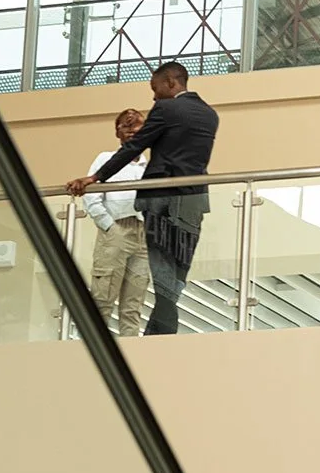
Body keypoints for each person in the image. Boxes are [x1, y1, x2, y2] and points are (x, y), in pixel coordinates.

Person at [66, 61, 219, 335]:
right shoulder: (210, 114)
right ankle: (159, 336)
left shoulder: (166, 109)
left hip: (160, 205)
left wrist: (95, 178)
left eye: (155, 88)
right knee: (172, 279)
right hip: (193, 202)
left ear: (171, 83)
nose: (154, 96)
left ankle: (152, 336)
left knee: (153, 282)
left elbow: (135, 146)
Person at [83, 108, 150, 336]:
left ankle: (130, 350)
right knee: (103, 298)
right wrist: (108, 226)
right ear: (117, 132)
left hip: (143, 233)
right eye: (125, 125)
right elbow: (91, 195)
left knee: (133, 305)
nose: (131, 130)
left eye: (136, 125)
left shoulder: (150, 166)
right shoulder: (105, 159)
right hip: (116, 228)